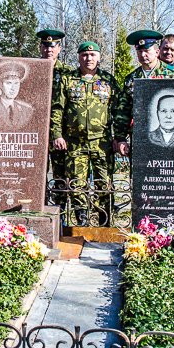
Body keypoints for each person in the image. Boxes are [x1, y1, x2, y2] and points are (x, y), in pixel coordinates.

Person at [50, 42, 120, 226]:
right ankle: (81, 223)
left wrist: (119, 137)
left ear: (99, 57)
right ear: (79, 57)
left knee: (104, 184)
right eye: (84, 55)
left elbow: (119, 111)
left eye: (92, 55)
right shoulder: (68, 79)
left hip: (102, 142)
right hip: (74, 142)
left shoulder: (108, 80)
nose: (88, 58)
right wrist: (57, 134)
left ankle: (104, 224)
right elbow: (57, 109)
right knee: (76, 185)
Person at [116, 30, 174, 156]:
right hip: (140, 137)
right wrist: (121, 138)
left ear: (157, 52)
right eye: (139, 51)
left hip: (168, 137)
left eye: (147, 51)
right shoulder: (131, 78)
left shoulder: (173, 75)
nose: (143, 55)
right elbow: (123, 111)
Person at [38, 28, 73, 210]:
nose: (49, 50)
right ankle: (38, 209)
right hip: (37, 133)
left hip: (59, 134)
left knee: (60, 176)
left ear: (59, 48)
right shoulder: (32, 70)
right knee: (36, 176)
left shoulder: (68, 73)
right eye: (45, 46)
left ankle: (59, 214)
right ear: (40, 47)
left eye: (53, 46)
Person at [0, 61, 33, 128]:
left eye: (16, 83)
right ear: (0, 84)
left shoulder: (27, 110)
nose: (13, 88)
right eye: (9, 83)